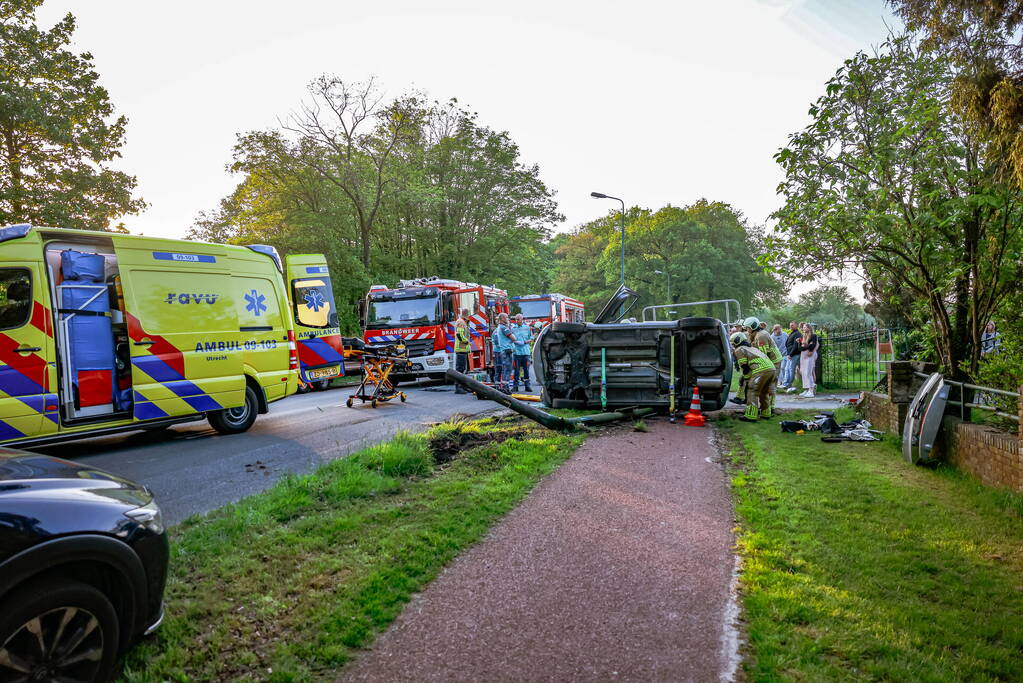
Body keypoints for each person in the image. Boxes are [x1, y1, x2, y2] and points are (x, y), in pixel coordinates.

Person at [730, 332, 777, 421]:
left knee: (752, 392)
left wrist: (747, 379)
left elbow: (744, 367)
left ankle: (751, 416)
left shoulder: (739, 349)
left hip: (761, 370)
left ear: (736, 341)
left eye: (733, 344)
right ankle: (766, 414)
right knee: (764, 392)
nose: (733, 346)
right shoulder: (752, 348)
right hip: (772, 369)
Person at [492, 312, 517, 392]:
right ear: (502, 319)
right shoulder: (503, 328)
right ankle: (505, 387)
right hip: (507, 350)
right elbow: (514, 338)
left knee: (504, 369)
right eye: (506, 317)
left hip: (504, 350)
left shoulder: (499, 327)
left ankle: (503, 386)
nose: (508, 319)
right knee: (507, 369)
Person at [509, 313, 533, 392]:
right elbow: (510, 339)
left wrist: (525, 342)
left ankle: (527, 386)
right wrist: (516, 342)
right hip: (517, 353)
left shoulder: (527, 328)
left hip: (526, 352)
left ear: (522, 319)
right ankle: (515, 386)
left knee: (526, 370)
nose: (517, 321)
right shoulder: (513, 328)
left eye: (518, 319)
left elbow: (531, 338)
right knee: (516, 371)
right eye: (516, 319)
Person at [798, 322, 819, 398]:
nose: (803, 328)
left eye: (804, 327)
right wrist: (804, 344)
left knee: (808, 372)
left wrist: (806, 346)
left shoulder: (814, 336)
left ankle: (811, 390)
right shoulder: (803, 336)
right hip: (803, 355)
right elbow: (800, 348)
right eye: (803, 327)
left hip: (810, 355)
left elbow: (813, 346)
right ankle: (806, 389)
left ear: (809, 328)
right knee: (802, 372)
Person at [453, 308, 471, 394]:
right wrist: (466, 341)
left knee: (463, 369)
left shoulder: (463, 321)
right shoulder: (461, 322)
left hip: (463, 349)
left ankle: (463, 386)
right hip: (461, 348)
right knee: (460, 369)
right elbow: (459, 335)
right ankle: (458, 387)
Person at [782, 321, 801, 392]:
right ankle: (785, 384)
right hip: (789, 354)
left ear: (796, 325)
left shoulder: (798, 333)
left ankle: (789, 384)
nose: (791, 326)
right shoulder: (792, 333)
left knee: (791, 369)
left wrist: (791, 354)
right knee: (787, 369)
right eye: (790, 325)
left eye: (792, 325)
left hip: (794, 354)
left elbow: (795, 345)